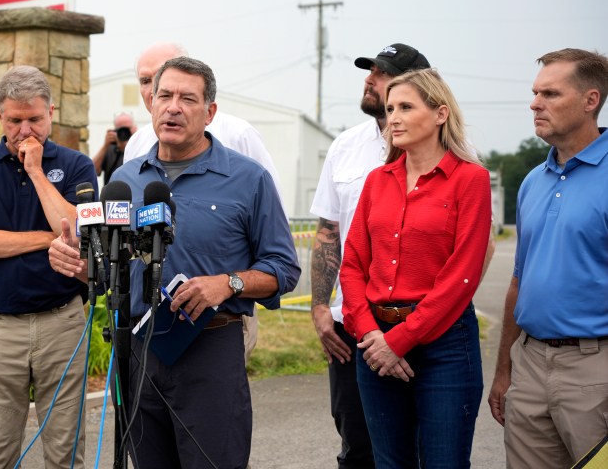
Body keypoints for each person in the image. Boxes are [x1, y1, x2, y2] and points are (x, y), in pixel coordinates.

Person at [50, 56, 301, 469]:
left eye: (188, 98)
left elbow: (284, 268)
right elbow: (109, 265)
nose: (173, 107)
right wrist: (80, 264)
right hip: (138, 348)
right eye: (164, 95)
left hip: (210, 346)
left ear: (210, 112)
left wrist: (228, 284)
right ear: (151, 104)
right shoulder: (124, 181)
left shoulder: (248, 179)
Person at [339, 68, 492, 468]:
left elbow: (463, 275)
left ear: (440, 114)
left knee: (444, 462)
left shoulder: (470, 180)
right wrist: (372, 334)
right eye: (390, 108)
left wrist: (401, 339)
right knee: (390, 464)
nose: (394, 118)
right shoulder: (377, 180)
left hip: (445, 345)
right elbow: (353, 264)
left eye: (406, 107)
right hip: (376, 342)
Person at [0, 65, 97, 469]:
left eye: (34, 119)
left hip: (62, 320)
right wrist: (45, 239)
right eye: (15, 120)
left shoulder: (77, 167)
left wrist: (35, 170)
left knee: (65, 449)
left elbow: (77, 231)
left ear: (51, 112)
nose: (25, 130)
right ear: (0, 117)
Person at [309, 42, 431, 468]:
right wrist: (321, 307)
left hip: (421, 326)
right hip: (352, 326)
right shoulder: (345, 147)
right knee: (357, 446)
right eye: (371, 71)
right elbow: (328, 233)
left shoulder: (449, 151)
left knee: (418, 449)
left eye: (381, 73)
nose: (369, 79)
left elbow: (474, 248)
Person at [124, 41, 283, 361]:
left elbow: (273, 239)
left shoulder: (239, 137)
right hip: (142, 334)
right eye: (150, 83)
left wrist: (231, 284)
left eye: (180, 92)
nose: (164, 97)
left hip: (217, 327)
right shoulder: (134, 153)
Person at [488, 48, 608, 468]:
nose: (535, 103)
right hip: (531, 364)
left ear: (590, 100)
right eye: (535, 93)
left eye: (551, 94)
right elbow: (519, 281)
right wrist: (504, 370)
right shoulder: (532, 183)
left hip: (596, 369)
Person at [92, 111, 136, 183]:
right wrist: (105, 146)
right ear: (115, 131)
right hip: (111, 192)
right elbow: (92, 171)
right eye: (121, 130)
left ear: (134, 129)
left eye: (127, 129)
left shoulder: (140, 147)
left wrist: (131, 144)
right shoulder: (110, 149)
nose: (124, 133)